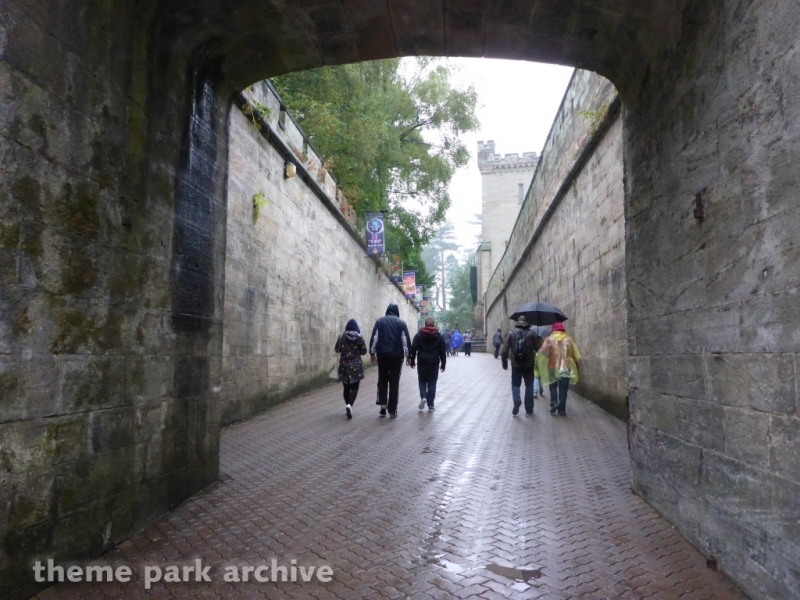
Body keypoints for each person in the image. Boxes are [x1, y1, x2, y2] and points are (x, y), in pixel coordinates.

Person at [369, 303, 412, 418]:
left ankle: (383, 404)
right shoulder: (401, 323)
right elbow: (405, 341)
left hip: (382, 355)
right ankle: (392, 410)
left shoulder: (380, 321)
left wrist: (372, 353)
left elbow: (375, 338)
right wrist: (408, 356)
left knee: (382, 379)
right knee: (394, 382)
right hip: (397, 356)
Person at [537, 322, 581, 416]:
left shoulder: (549, 339)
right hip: (565, 367)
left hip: (552, 366)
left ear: (553, 329)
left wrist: (549, 354)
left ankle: (554, 402)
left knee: (553, 385)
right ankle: (562, 409)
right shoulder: (568, 339)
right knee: (563, 388)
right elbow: (574, 354)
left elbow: (543, 352)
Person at [501, 315, 542, 416]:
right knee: (529, 385)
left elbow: (504, 350)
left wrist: (504, 363)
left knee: (515, 384)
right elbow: (539, 349)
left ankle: (517, 400)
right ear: (526, 322)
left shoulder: (511, 333)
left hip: (516, 364)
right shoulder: (532, 333)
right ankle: (529, 408)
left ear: (518, 321)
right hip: (529, 364)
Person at [408, 317, 447, 411]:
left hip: (422, 361)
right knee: (432, 382)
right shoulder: (439, 335)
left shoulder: (419, 334)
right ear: (433, 325)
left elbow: (413, 348)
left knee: (422, 380)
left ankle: (423, 397)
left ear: (425, 324)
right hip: (434, 362)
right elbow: (442, 351)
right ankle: (431, 405)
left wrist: (412, 360)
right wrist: (443, 363)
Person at [334, 319, 367, 419]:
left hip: (344, 366)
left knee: (346, 388)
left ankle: (348, 405)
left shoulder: (341, 336)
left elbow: (337, 349)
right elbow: (364, 351)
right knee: (355, 388)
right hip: (355, 366)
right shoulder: (359, 337)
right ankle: (349, 405)